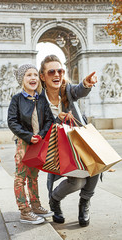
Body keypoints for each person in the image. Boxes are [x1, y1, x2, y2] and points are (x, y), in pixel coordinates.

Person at [39, 55, 99, 227]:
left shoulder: (67, 90)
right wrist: (58, 119)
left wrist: (87, 84)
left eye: (60, 70)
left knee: (96, 165)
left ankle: (84, 204)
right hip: (58, 148)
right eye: (51, 71)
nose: (57, 74)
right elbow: (41, 127)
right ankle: (54, 200)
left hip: (79, 140)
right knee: (78, 181)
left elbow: (78, 90)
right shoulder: (38, 100)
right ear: (43, 76)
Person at [7, 64, 54, 224]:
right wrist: (28, 136)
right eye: (28, 75)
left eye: (35, 74)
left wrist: (40, 136)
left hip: (38, 142)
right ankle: (24, 211)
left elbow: (49, 120)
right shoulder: (17, 99)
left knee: (33, 176)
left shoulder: (41, 98)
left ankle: (35, 205)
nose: (33, 77)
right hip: (23, 143)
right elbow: (12, 122)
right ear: (22, 79)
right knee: (20, 177)